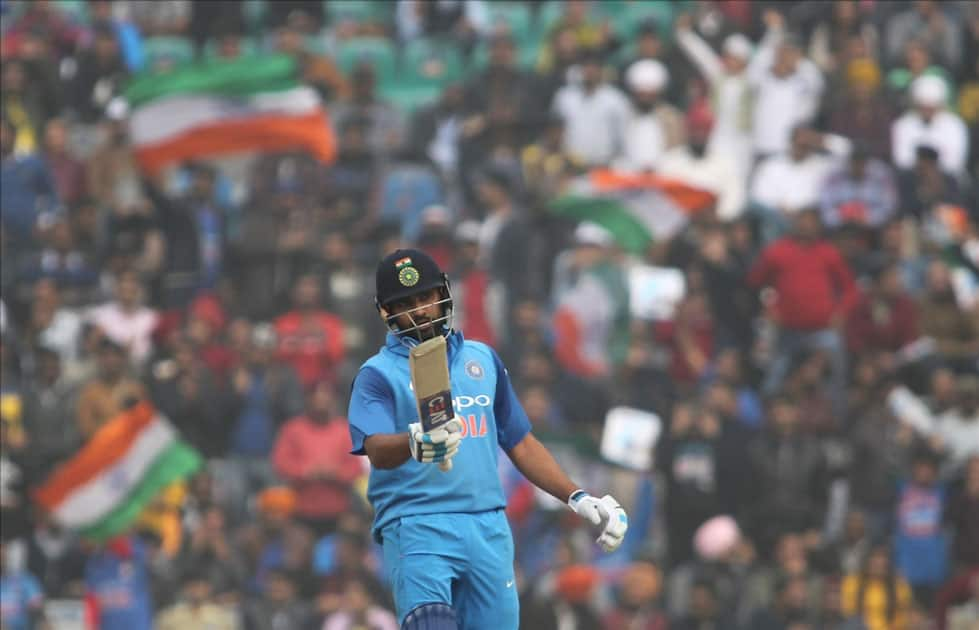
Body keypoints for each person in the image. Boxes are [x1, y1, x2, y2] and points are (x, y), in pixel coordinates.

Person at [347, 248, 628, 629]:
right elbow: (377, 449)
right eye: (405, 303)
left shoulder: (481, 359)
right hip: (416, 523)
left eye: (426, 296)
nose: (420, 310)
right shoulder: (377, 374)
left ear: (443, 293)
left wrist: (576, 497)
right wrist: (412, 442)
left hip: (488, 526)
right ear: (385, 311)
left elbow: (520, 442)